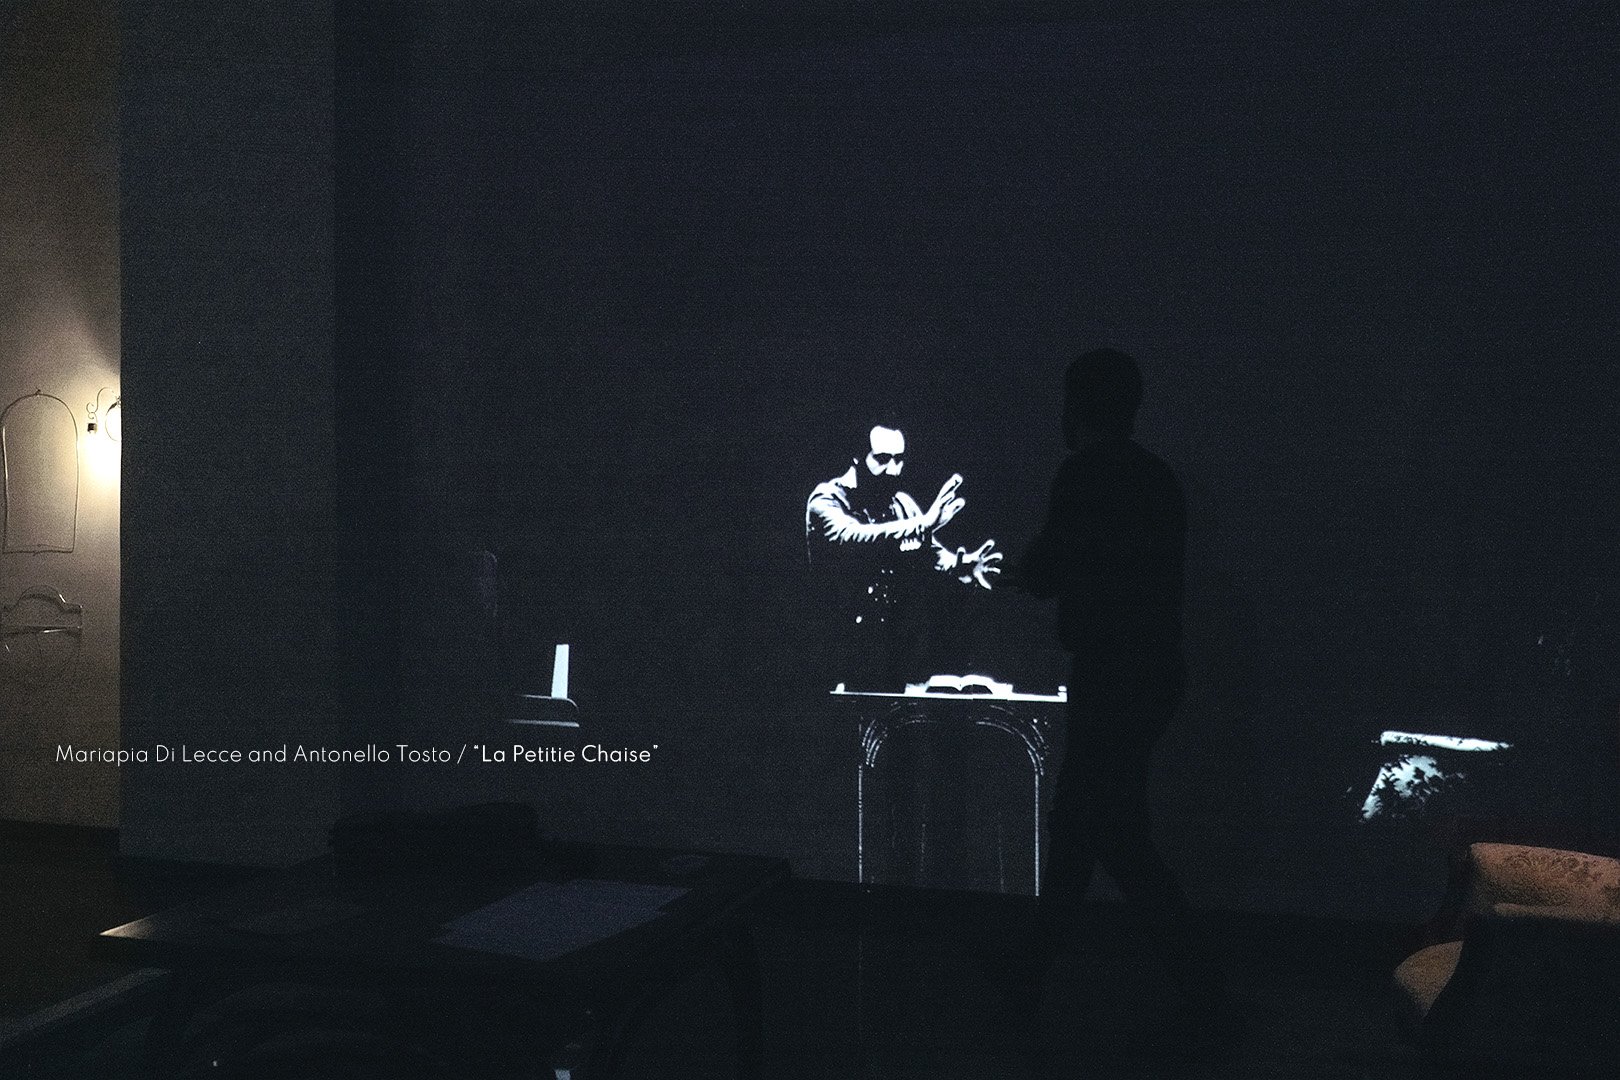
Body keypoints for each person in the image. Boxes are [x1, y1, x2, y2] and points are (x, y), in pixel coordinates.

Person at [1007, 348, 1226, 1039]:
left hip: (1112, 677)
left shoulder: (1083, 474)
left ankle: (1202, 992)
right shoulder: (1158, 479)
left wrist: (1005, 569)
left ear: (1074, 408)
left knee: (1103, 836)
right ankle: (1029, 976)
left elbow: (1049, 570)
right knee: (1093, 830)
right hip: (1152, 674)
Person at [806, 422, 1000, 687]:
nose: (893, 469)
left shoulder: (902, 504)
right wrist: (925, 523)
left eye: (899, 459)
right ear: (857, 456)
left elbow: (930, 554)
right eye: (882, 459)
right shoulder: (827, 500)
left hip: (897, 657)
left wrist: (960, 565)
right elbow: (853, 538)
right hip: (843, 658)